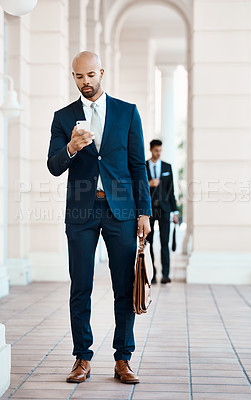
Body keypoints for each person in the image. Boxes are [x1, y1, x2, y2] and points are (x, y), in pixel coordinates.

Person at [47, 51, 152, 385]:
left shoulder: (127, 112)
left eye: (91, 75)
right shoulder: (63, 118)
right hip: (81, 210)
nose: (86, 82)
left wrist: (144, 212)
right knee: (81, 286)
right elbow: (53, 165)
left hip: (120, 210)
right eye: (79, 77)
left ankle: (123, 359)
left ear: (101, 72)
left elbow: (138, 166)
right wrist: (72, 148)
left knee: (124, 286)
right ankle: (82, 358)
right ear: (73, 77)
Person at [146, 139, 179, 284]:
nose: (158, 153)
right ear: (151, 150)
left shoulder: (167, 166)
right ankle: (152, 273)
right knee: (150, 242)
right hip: (150, 209)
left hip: (165, 209)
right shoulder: (143, 166)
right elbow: (138, 187)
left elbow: (171, 191)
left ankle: (166, 274)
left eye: (160, 150)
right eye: (156, 151)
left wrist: (175, 212)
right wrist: (149, 183)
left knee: (165, 242)